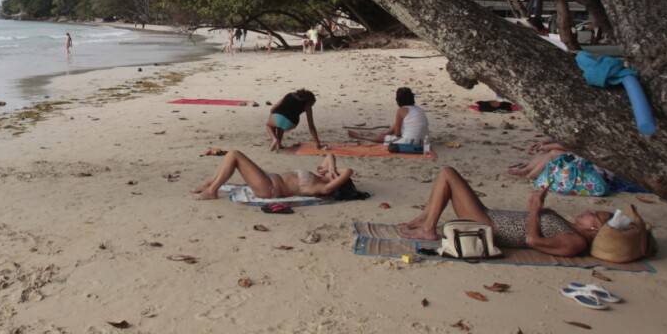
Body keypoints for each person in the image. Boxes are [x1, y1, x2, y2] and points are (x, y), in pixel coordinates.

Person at [397, 166, 612, 256]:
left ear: (594, 227)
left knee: (447, 173)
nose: (587, 211)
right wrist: (538, 206)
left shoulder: (577, 242)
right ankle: (425, 219)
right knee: (447, 175)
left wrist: (535, 210)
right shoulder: (571, 228)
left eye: (593, 214)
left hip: (492, 227)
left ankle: (428, 228)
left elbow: (532, 240)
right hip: (490, 216)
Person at [192, 150, 358, 201]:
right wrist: (331, 169)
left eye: (337, 176)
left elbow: (349, 171)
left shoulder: (323, 187)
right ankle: (210, 184)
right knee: (232, 156)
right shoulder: (322, 177)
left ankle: (212, 190)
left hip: (269, 189)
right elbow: (329, 156)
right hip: (269, 179)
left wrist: (334, 172)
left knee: (234, 155)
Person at [349, 87, 428, 146]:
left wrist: (387, 136)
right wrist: (388, 133)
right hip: (423, 141)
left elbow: (397, 134)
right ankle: (384, 133)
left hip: (410, 143)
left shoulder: (401, 110)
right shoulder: (418, 109)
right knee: (392, 129)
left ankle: (361, 137)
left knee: (383, 139)